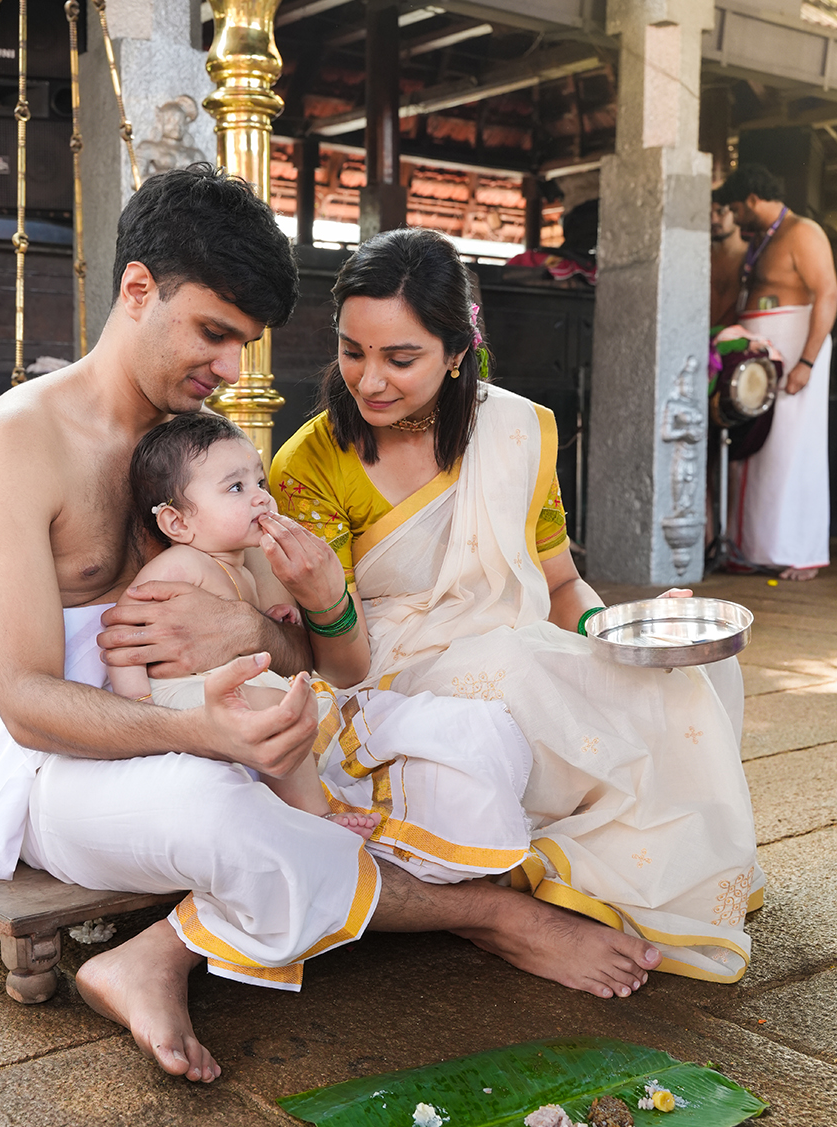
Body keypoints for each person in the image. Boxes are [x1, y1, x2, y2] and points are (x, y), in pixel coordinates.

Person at [0, 165, 662, 1088]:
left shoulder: (213, 451)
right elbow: (26, 701)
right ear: (138, 289)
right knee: (214, 810)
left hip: (230, 721)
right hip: (60, 759)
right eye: (216, 334)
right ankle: (486, 915)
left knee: (462, 734)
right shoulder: (19, 441)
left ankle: (154, 953)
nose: (231, 369)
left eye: (245, 343)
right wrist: (198, 730)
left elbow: (323, 664)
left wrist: (281, 622)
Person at [271, 226, 762, 987]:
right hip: (387, 668)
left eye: (401, 359)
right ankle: (537, 892)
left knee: (685, 676)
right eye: (351, 350)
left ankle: (613, 875)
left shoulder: (520, 431)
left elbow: (560, 583)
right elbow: (341, 663)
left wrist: (616, 632)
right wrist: (323, 602)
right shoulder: (310, 462)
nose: (370, 380)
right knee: (525, 672)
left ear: (458, 351)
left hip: (516, 637)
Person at [110, 411, 374, 837]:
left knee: (298, 699)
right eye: (237, 487)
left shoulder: (245, 567)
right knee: (275, 706)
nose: (262, 499)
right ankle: (314, 817)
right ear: (178, 522)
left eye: (261, 483)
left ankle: (293, 802)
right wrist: (137, 708)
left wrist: (272, 618)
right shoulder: (180, 565)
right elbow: (122, 639)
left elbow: (238, 634)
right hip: (173, 695)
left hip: (219, 684)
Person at [714, 164, 837, 580]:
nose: (734, 217)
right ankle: (755, 549)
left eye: (736, 208)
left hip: (797, 348)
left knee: (792, 452)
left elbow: (829, 293)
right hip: (762, 351)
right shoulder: (760, 239)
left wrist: (806, 361)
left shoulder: (803, 231)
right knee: (756, 452)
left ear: (752, 199)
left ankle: (800, 553)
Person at [710, 196, 748, 328]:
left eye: (721, 212)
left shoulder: (754, 256)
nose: (713, 220)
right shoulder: (695, 258)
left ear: (736, 213)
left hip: (738, 342)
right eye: (708, 213)